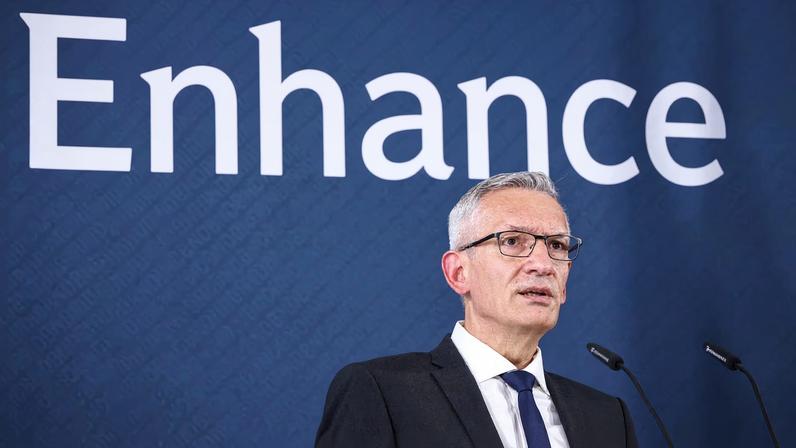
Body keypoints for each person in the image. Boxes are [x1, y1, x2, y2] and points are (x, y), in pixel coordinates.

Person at [316, 172, 638, 448]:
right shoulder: (382, 393)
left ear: (565, 284)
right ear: (458, 273)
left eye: (556, 245)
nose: (543, 264)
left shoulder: (608, 419)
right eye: (512, 241)